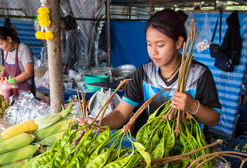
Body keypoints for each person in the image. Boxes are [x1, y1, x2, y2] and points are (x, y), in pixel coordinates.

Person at [78, 9, 221, 143]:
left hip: (193, 153)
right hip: (155, 148)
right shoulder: (144, 74)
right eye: (149, 44)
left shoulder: (199, 74)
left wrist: (192, 105)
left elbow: (214, 119)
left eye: (160, 45)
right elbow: (121, 114)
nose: (153, 52)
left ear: (178, 42)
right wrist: (99, 123)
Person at [0, 18, 35, 95]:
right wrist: (2, 74)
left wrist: (10, 81)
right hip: (11, 91)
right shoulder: (6, 50)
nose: (0, 47)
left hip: (25, 94)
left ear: (9, 39)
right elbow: (7, 66)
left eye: (1, 44)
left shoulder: (23, 50)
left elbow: (29, 73)